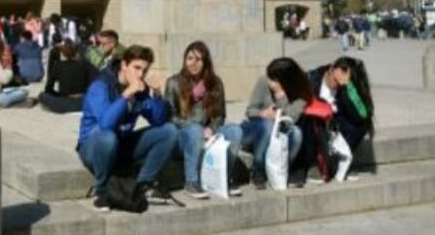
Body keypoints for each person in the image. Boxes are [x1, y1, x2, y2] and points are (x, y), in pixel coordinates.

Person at [77, 45, 177, 211]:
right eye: (136, 68)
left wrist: (157, 94)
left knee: (169, 132)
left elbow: (158, 121)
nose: (140, 74)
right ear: (124, 65)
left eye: (144, 70)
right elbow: (106, 124)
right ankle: (101, 190)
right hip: (94, 146)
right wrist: (126, 94)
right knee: (108, 137)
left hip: (121, 144)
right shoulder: (101, 85)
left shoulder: (140, 89)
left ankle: (143, 183)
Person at [164, 41, 244, 198]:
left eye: (199, 59)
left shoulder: (215, 83)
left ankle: (225, 179)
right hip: (183, 136)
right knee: (194, 131)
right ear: (184, 60)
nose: (193, 63)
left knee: (235, 130)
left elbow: (220, 115)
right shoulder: (173, 82)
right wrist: (196, 128)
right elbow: (170, 117)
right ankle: (191, 182)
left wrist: (212, 129)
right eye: (190, 58)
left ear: (205, 62)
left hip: (208, 136)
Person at [240, 57, 312, 189]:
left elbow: (291, 119)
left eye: (274, 80)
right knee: (267, 126)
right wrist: (262, 114)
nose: (270, 82)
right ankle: (258, 169)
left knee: (297, 133)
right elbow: (250, 111)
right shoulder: (263, 82)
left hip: (280, 132)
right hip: (257, 129)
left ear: (286, 80)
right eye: (269, 77)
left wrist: (281, 101)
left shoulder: (300, 93)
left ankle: (281, 168)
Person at [308, 57, 374, 155]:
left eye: (340, 84)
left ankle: (339, 156)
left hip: (335, 130)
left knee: (362, 124)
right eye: (335, 80)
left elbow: (361, 116)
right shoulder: (312, 79)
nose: (336, 86)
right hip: (314, 129)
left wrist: (347, 87)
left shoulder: (345, 89)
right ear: (331, 69)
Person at [40, 40, 97, 113]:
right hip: (84, 100)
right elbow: (95, 81)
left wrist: (59, 94)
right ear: (77, 53)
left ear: (62, 54)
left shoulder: (58, 66)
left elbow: (48, 89)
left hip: (64, 102)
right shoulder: (85, 64)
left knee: (42, 95)